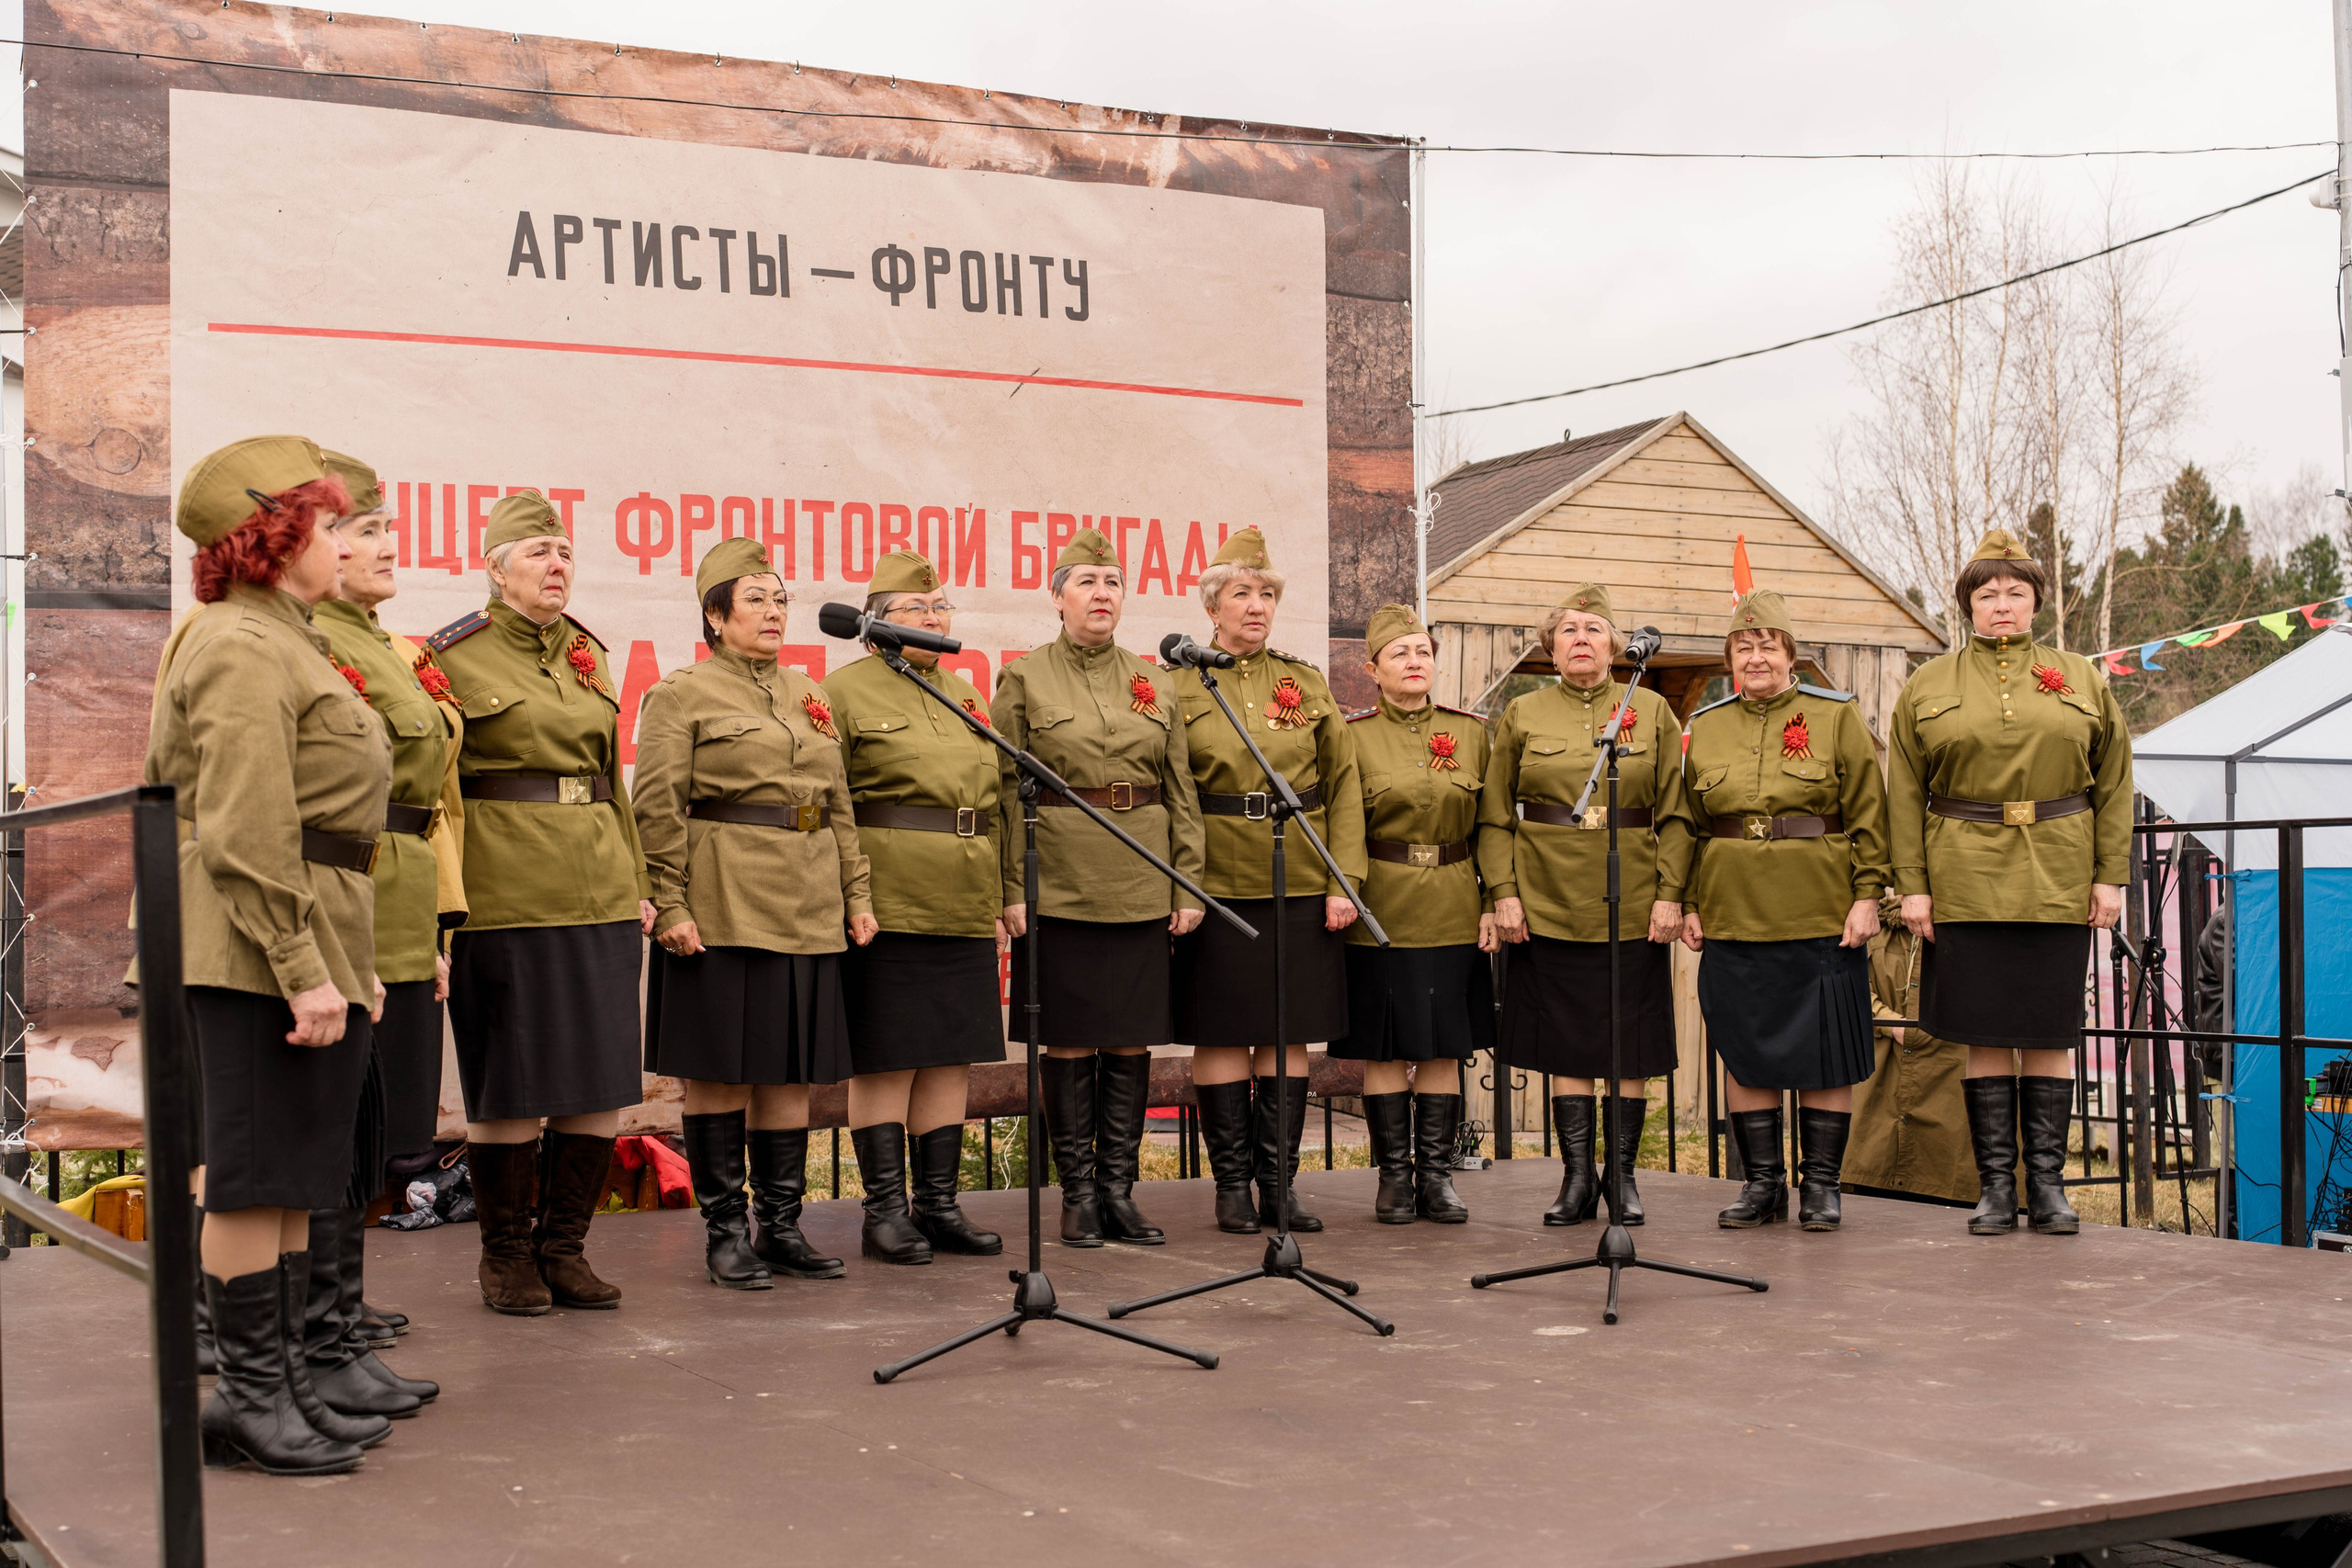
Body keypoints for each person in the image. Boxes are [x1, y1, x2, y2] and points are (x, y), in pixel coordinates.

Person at [147, 435, 390, 1474]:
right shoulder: (242, 643)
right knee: (250, 1181)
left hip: (305, 925)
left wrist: (345, 959)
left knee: (294, 1174)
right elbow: (245, 830)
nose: (340, 541)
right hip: (250, 947)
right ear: (276, 537)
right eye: (328, 523)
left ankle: (280, 1384)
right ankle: (249, 1400)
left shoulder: (286, 637)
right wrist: (301, 964)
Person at [424, 491, 654, 1314]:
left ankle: (565, 1250)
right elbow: (438, 789)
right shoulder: (452, 655)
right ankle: (505, 1258)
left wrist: (635, 883)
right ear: (496, 569)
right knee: (511, 1086)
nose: (558, 565)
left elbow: (610, 782)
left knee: (597, 1083)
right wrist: (444, 900)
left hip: (596, 888)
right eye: (538, 552)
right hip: (505, 891)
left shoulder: (587, 651)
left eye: (564, 550)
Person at [635, 536, 872, 1280]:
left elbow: (839, 804)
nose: (774, 612)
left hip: (807, 901)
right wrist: (669, 901)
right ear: (715, 615)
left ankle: (782, 1225)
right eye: (757, 599)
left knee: (790, 1072)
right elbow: (657, 804)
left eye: (780, 599)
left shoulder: (811, 692)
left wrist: (855, 893)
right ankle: (725, 1231)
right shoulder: (681, 693)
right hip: (723, 901)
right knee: (721, 1071)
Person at [1889, 526, 2130, 1236]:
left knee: (2049, 1029)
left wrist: (2109, 877)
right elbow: (1903, 790)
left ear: (2036, 603)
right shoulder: (1928, 684)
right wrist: (1913, 886)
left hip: (2057, 871)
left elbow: (2114, 782)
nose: (2002, 604)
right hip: (1962, 874)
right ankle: (1997, 1187)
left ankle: (2049, 1186)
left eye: (2016, 593)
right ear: (1967, 604)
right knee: (1984, 1032)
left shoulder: (2082, 677)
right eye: (1988, 593)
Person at [993, 527, 1205, 1247]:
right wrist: (1013, 887)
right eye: (1086, 580)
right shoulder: (1025, 678)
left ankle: (1119, 1190)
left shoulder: (1157, 680)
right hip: (1061, 879)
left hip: (1142, 877)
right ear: (1058, 596)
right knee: (1071, 1043)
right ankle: (1077, 1193)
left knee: (1131, 1043)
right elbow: (1001, 789)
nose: (1102, 592)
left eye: (1112, 580)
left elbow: (1181, 790)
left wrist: (1188, 885)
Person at [307, 451, 454, 1415]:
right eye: (367, 532)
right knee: (325, 1127)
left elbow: (430, 796)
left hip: (394, 889)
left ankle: (342, 1308)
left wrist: (438, 921)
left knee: (375, 1127)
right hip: (343, 884)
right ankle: (313, 1326)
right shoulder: (313, 641)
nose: (387, 546)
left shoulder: (383, 644)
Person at [1479, 583, 1695, 1228]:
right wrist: (1504, 894)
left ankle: (1622, 1179)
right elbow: (1493, 816)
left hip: (1631, 901)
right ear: (1551, 647)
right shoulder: (1524, 714)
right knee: (1568, 1046)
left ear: (1615, 646)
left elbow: (1678, 816)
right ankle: (1576, 1178)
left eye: (1595, 629)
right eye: (1569, 629)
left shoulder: (1652, 710)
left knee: (1625, 1045)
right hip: (1545, 900)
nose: (1581, 639)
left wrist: (1670, 894)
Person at [1170, 527, 1365, 1235]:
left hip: (1302, 875)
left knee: (1286, 1035)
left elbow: (1343, 784)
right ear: (1212, 606)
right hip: (1217, 878)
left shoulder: (1305, 682)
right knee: (1221, 1031)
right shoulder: (1177, 684)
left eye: (1267, 594)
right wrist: (1182, 885)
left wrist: (1343, 880)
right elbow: (1172, 792)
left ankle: (1278, 1184)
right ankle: (1229, 1187)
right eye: (1242, 594)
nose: (1257, 605)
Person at [1679, 590, 1891, 1232]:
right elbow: (1689, 823)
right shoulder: (1709, 724)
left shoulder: (1836, 716)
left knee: (1825, 1049)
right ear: (1729, 659)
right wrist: (1688, 900)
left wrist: (1868, 894)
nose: (1756, 655)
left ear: (1791, 654)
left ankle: (1821, 1185)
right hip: (1733, 911)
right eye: (1743, 646)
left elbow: (1868, 813)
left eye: (1768, 644)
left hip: (1821, 909)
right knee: (1747, 1049)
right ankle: (1762, 1183)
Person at [823, 550, 1005, 1259]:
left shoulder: (967, 696)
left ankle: (939, 1205)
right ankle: (884, 1212)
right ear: (875, 622)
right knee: (890, 1059)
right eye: (915, 609)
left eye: (941, 607)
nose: (934, 619)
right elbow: (834, 804)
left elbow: (990, 806)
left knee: (948, 1059)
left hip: (962, 895)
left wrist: (994, 900)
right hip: (887, 899)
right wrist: (849, 892)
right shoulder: (844, 693)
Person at [1329, 604, 1494, 1224]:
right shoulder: (1352, 734)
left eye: (1422, 650)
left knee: (1444, 1047)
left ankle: (1437, 1177)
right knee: (1386, 1047)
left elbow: (1493, 826)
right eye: (1400, 653)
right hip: (1383, 906)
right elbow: (1344, 823)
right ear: (1372, 668)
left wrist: (1492, 898)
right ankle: (1394, 1177)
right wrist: (1344, 891)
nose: (1414, 661)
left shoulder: (1474, 732)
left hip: (1453, 902)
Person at [1844, 891, 1981, 1205]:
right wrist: (1890, 1022)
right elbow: (1848, 981)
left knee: (1958, 1169)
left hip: (1954, 1061)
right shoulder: (1870, 916)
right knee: (1874, 1175)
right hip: (1881, 1064)